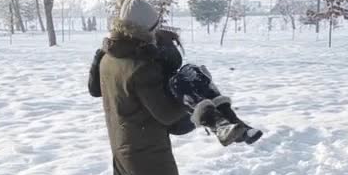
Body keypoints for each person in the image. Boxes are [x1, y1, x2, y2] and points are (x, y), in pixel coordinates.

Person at [90, 0, 188, 175]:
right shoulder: (141, 67)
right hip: (145, 147)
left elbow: (97, 90)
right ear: (145, 29)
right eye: (156, 26)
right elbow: (166, 114)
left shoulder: (110, 56)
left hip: (126, 141)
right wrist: (191, 103)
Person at [89, 22, 263, 147]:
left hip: (177, 115)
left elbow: (172, 64)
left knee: (192, 72)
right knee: (186, 75)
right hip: (175, 121)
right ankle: (221, 124)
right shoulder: (136, 64)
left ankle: (231, 123)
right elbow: (95, 90)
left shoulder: (148, 53)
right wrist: (97, 61)